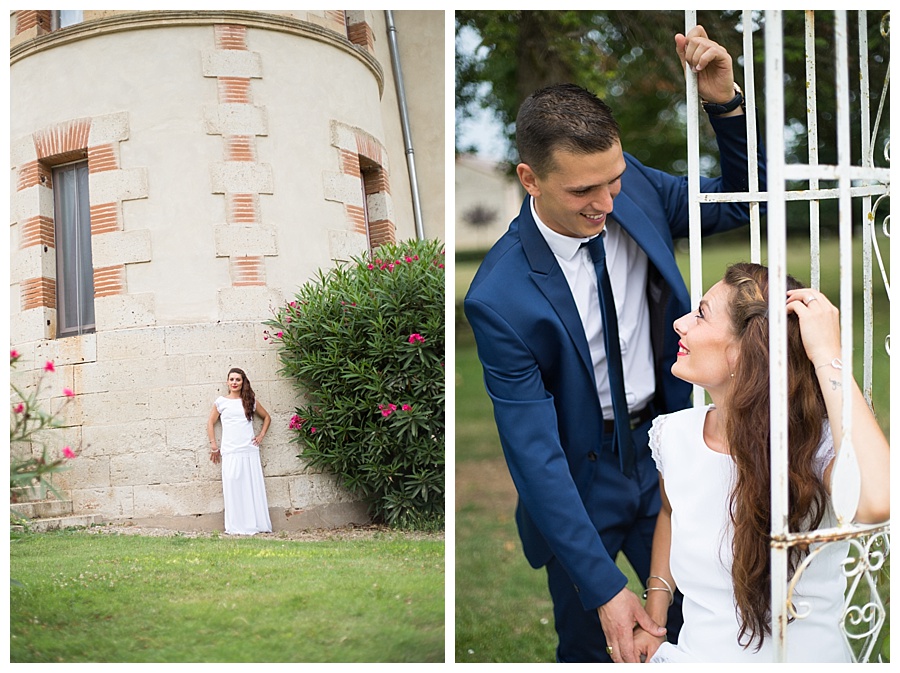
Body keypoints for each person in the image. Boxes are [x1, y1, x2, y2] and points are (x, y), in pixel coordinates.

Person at [463, 25, 766, 663]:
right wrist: (604, 588)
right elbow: (533, 452)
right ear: (530, 179)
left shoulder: (641, 193)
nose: (606, 203)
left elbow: (744, 202)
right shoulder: (499, 297)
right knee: (591, 648)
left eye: (614, 179)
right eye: (583, 192)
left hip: (668, 442)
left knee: (700, 628)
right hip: (582, 473)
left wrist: (725, 104)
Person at [635, 263, 889, 662]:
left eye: (701, 315)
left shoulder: (815, 445)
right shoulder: (674, 435)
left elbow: (878, 501)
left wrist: (827, 353)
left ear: (744, 352)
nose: (681, 324)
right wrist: (655, 614)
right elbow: (670, 512)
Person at [207, 367, 273, 535]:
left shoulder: (250, 400)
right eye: (232, 379)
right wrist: (214, 446)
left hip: (249, 450)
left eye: (238, 379)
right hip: (230, 451)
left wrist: (261, 435)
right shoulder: (221, 402)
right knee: (233, 485)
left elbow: (267, 417)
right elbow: (210, 423)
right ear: (227, 382)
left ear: (243, 382)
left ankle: (256, 524)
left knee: (251, 487)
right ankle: (236, 526)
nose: (235, 382)